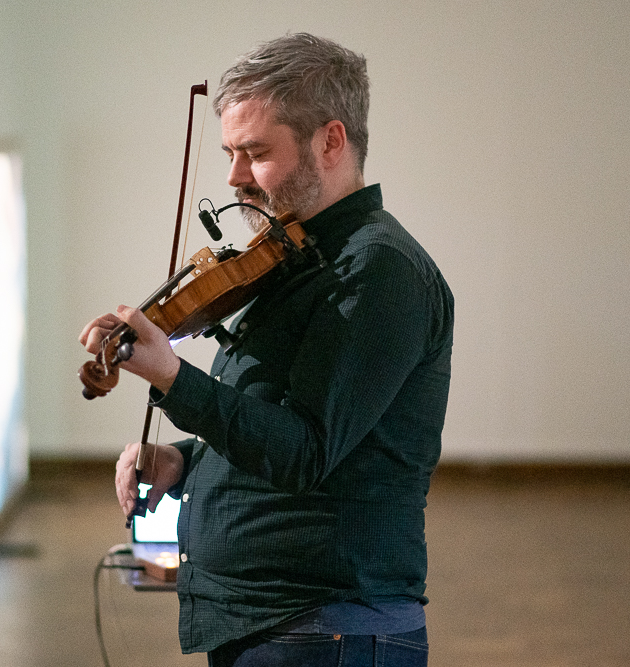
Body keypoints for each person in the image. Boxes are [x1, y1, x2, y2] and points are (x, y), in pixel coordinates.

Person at [80, 33, 453, 667]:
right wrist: (184, 461)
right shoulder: (296, 260)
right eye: (229, 152)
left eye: (255, 153)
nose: (233, 177)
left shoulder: (375, 273)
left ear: (330, 141)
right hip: (281, 627)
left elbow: (306, 451)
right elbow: (282, 422)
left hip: (326, 631)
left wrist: (174, 378)